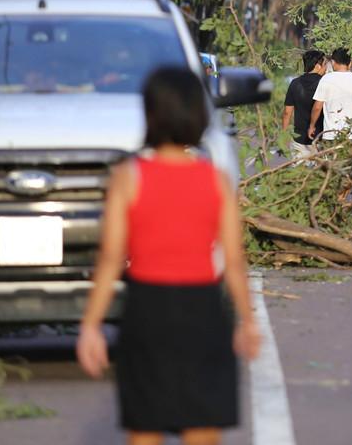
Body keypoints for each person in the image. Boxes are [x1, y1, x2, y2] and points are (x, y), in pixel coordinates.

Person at [76, 67, 260, 444]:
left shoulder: (129, 177)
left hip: (147, 309)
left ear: (150, 115)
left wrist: (90, 326)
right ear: (199, 115)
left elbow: (111, 258)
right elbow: (234, 262)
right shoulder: (214, 180)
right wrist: (246, 320)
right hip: (203, 310)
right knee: (202, 425)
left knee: (146, 425)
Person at [307, 47, 352, 142]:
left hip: (331, 135)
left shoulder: (326, 79)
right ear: (350, 63)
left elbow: (317, 107)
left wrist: (312, 126)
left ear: (333, 62)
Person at [283, 50, 327, 160]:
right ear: (317, 66)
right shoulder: (325, 83)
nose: (326, 68)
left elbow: (287, 112)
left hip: (299, 139)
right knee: (320, 175)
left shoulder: (295, 83)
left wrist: (283, 135)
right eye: (324, 65)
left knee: (298, 174)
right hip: (321, 139)